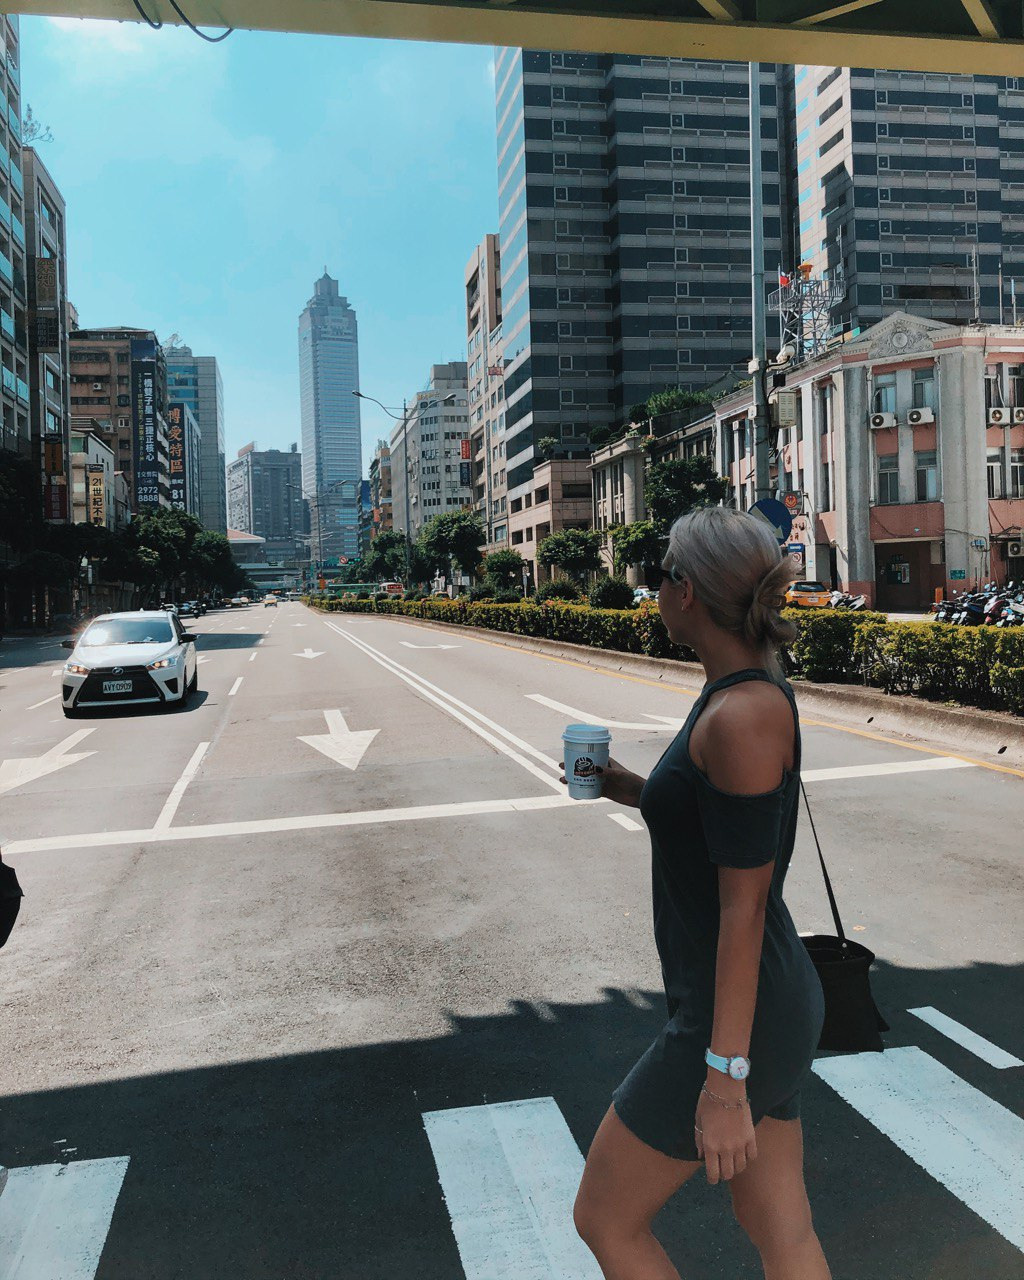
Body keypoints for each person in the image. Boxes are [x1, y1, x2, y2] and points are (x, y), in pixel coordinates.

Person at [570, 507, 830, 1280]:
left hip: (740, 1020)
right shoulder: (736, 695)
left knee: (605, 1220)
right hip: (759, 1013)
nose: (652, 590)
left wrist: (725, 1079)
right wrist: (631, 790)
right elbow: (716, 829)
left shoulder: (743, 713)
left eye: (660, 575)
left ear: (686, 591)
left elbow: (743, 908)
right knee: (777, 1223)